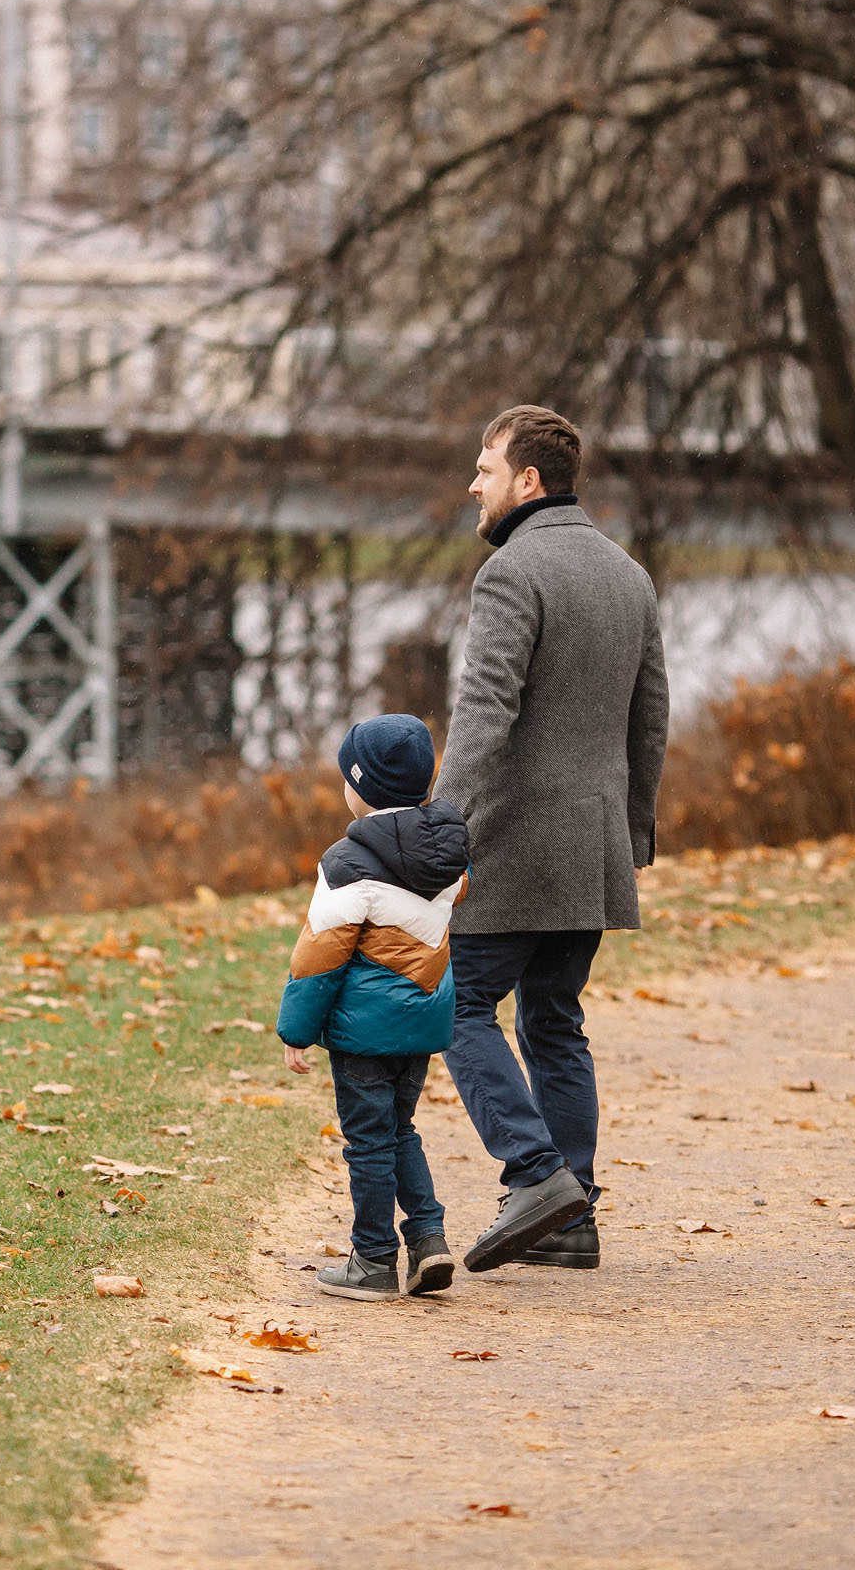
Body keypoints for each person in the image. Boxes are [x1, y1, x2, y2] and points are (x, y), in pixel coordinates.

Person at [434, 405, 669, 1273]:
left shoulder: (512, 574)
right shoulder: (628, 577)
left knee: (455, 1005)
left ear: (528, 481)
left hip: (517, 843)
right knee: (555, 1023)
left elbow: (485, 711)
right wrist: (631, 830)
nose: (474, 484)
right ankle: (573, 1218)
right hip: (594, 846)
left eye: (485, 468)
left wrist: (438, 827)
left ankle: (535, 1175)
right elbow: (651, 720)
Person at [276, 714, 471, 1301]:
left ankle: (374, 1260)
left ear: (360, 786)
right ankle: (429, 1239)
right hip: (423, 1021)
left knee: (368, 1141)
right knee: (399, 1128)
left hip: (365, 1031)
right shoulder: (448, 853)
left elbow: (320, 956)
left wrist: (296, 1029)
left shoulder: (348, 863)